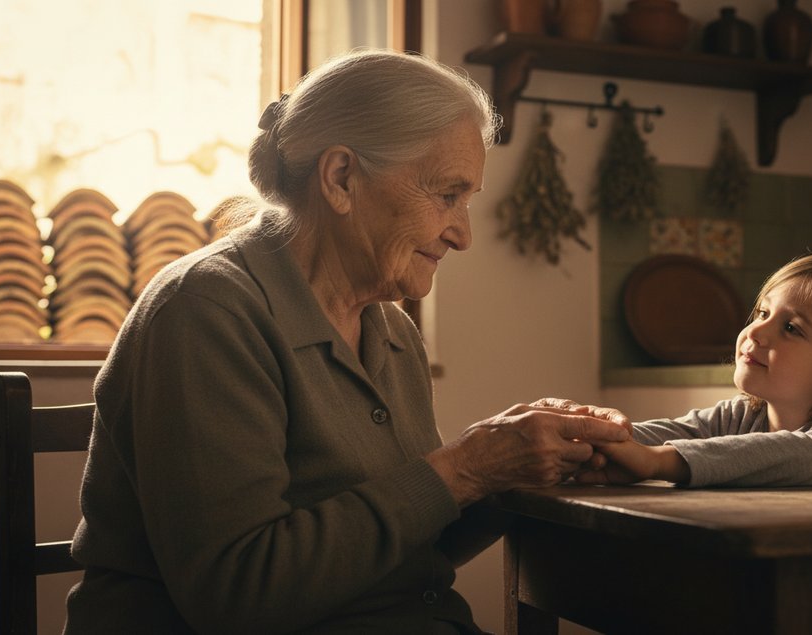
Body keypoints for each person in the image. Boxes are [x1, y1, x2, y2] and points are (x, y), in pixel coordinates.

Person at [63, 49, 630, 634]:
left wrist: (504, 470)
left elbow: (399, 552)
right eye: (447, 195)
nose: (462, 235)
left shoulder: (390, 330)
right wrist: (463, 469)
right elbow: (238, 595)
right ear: (340, 178)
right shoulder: (207, 311)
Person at [567, 252, 812, 487]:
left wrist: (658, 461)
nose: (755, 330)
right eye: (763, 312)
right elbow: (664, 433)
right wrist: (584, 436)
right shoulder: (742, 416)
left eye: (791, 328)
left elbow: (802, 453)